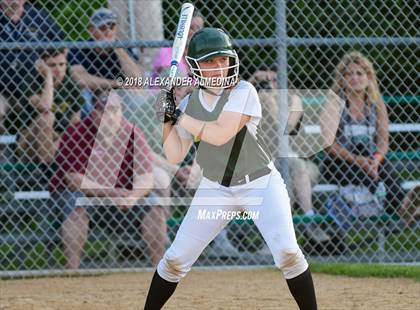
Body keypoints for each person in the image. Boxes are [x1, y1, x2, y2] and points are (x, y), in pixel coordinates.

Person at [145, 28, 317, 310]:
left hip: (260, 184)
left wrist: (180, 115)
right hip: (216, 189)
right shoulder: (189, 102)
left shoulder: (244, 91)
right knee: (175, 261)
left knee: (288, 253)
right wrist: (167, 115)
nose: (219, 67)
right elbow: (174, 153)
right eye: (211, 62)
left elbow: (220, 133)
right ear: (196, 67)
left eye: (223, 59)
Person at [50, 88, 167, 268]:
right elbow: (73, 180)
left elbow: (147, 177)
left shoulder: (132, 133)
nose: (110, 116)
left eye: (114, 110)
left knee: (155, 207)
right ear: (93, 112)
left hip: (123, 200)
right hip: (86, 198)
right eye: (103, 111)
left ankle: (159, 269)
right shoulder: (77, 132)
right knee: (77, 206)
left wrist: (133, 196)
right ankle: (72, 271)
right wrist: (113, 192)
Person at [249, 67, 330, 243]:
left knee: (293, 167)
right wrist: (253, 81)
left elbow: (285, 129)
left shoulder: (294, 100)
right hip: (268, 164)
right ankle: (305, 226)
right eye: (265, 81)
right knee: (282, 177)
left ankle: (283, 236)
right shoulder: (253, 102)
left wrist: (272, 105)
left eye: (275, 80)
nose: (270, 85)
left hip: (303, 164)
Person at [321, 51, 405, 214]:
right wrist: (359, 160)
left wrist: (375, 160)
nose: (355, 78)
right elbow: (328, 145)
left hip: (370, 158)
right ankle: (397, 209)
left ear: (368, 77)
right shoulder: (334, 103)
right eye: (349, 74)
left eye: (360, 73)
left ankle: (400, 208)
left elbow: (383, 142)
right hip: (340, 162)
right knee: (369, 173)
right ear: (342, 79)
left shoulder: (377, 104)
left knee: (386, 169)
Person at [0, 0, 65, 134]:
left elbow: (62, 48)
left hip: (34, 89)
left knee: (48, 116)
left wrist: (51, 70)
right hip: (2, 92)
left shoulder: (38, 16)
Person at [69, 8, 143, 116]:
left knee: (138, 96)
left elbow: (137, 80)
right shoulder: (80, 47)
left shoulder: (123, 48)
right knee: (83, 99)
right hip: (92, 93)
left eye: (111, 27)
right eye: (102, 28)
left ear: (116, 29)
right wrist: (116, 83)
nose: (108, 31)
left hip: (119, 94)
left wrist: (116, 48)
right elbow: (80, 79)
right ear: (91, 30)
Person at [17, 48, 84, 165]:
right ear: (42, 66)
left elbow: (75, 123)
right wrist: (48, 76)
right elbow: (45, 106)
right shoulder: (31, 81)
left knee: (71, 134)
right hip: (29, 142)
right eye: (52, 65)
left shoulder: (71, 85)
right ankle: (47, 169)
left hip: (60, 139)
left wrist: (59, 140)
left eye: (62, 64)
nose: (58, 69)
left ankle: (48, 167)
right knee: (47, 118)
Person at [150, 9, 204, 81]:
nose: (196, 32)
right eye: (191, 28)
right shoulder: (167, 52)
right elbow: (170, 83)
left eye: (199, 28)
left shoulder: (203, 55)